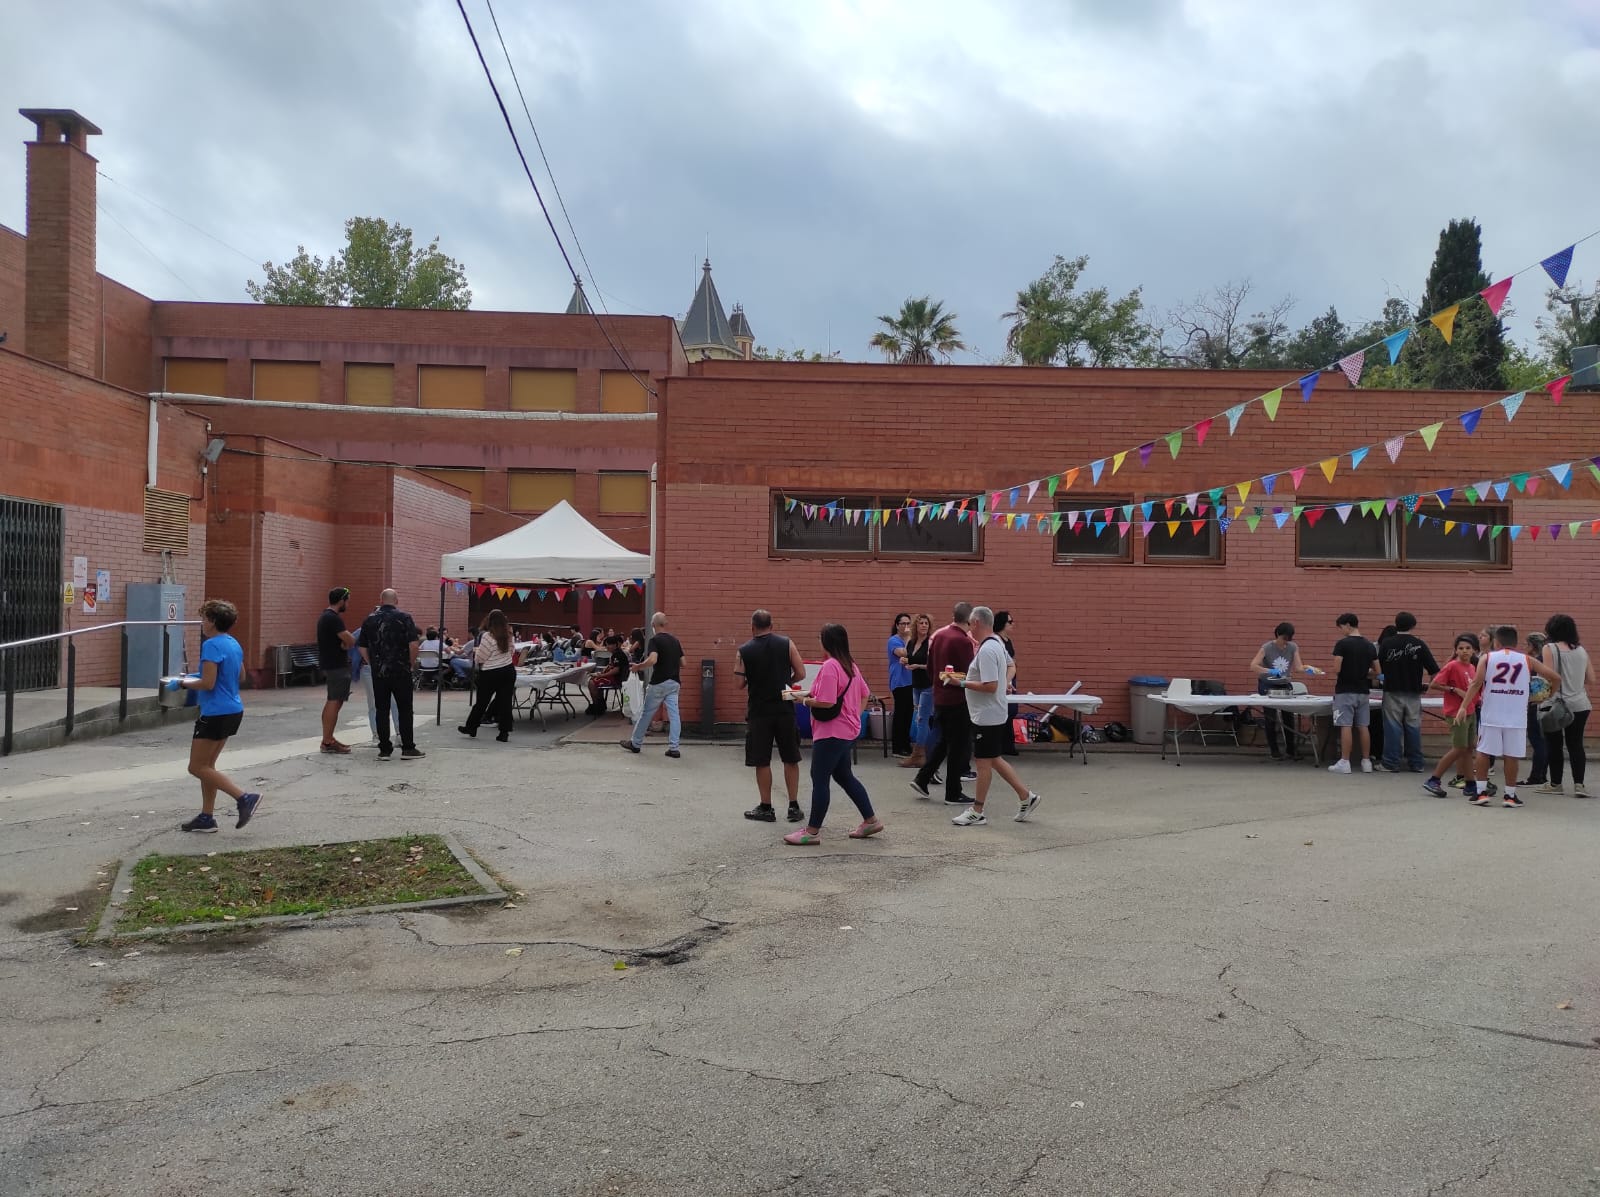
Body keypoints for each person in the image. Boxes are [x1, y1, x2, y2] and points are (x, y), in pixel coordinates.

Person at [786, 624, 883, 844]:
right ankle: (871, 820)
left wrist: (803, 701)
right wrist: (855, 716)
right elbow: (864, 694)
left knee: (820, 778)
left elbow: (827, 701)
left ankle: (812, 831)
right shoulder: (850, 664)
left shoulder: (830, 666)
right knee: (843, 776)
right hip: (846, 731)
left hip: (831, 732)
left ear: (826, 642)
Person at [174, 599, 261, 832]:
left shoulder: (211, 645)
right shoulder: (233, 643)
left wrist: (182, 683)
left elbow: (208, 683)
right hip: (233, 709)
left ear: (212, 621)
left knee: (196, 767)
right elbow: (240, 676)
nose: (202, 623)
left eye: (204, 618)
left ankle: (244, 798)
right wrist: (197, 675)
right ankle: (207, 817)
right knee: (208, 766)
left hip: (215, 712)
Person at [950, 606, 1040, 827]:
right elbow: (1010, 666)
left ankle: (977, 810)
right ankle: (1026, 796)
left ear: (977, 623)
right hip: (991, 712)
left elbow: (990, 686)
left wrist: (960, 683)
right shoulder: (997, 643)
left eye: (970, 624)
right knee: (993, 759)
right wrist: (1005, 682)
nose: (969, 629)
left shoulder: (988, 649)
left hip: (987, 715)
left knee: (983, 762)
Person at [1457, 625, 1561, 808]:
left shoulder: (1487, 658)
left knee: (1483, 752)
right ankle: (1510, 796)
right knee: (1511, 755)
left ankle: (1481, 793)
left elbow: (1476, 683)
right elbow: (1556, 678)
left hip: (1491, 714)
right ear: (1516, 642)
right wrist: (1546, 696)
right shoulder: (1527, 659)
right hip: (1516, 716)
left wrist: (1463, 706)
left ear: (1496, 642)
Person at [737, 609, 807, 822]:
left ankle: (766, 807)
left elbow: (738, 683)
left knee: (762, 760)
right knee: (790, 757)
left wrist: (753, 679)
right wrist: (785, 681)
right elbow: (801, 673)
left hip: (759, 711)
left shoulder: (744, 650)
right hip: (784, 708)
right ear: (772, 625)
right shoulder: (787, 644)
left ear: (752, 627)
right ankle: (793, 806)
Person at [912, 602, 977, 805]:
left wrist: (938, 685)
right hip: (958, 699)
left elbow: (931, 667)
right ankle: (953, 792)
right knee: (958, 746)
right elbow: (970, 673)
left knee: (944, 741)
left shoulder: (939, 635)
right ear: (970, 620)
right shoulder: (963, 641)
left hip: (940, 696)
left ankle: (922, 778)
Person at [359, 588, 425, 761]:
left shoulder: (369, 620)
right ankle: (408, 748)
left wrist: (372, 663)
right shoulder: (404, 618)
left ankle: (384, 750)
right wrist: (409, 664)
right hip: (400, 670)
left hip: (379, 672)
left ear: (381, 600)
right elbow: (414, 645)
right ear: (396, 600)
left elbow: (361, 646)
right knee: (405, 709)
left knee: (381, 710)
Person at [1537, 614, 1594, 797]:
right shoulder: (1581, 650)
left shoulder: (1549, 648)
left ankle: (1556, 784)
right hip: (1580, 704)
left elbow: (1548, 677)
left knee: (1554, 745)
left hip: (1555, 704)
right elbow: (1591, 679)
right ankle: (1579, 785)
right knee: (1576, 744)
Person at [1377, 612, 1438, 773]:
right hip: (1413, 692)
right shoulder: (1419, 644)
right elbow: (1434, 670)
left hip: (1392, 691)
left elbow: (1378, 667)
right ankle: (1416, 763)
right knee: (1413, 727)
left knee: (1392, 728)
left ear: (1396, 624)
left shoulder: (1387, 643)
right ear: (1413, 625)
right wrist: (1429, 686)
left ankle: (1391, 763)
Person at [1423, 634, 1483, 798]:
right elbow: (1434, 684)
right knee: (1459, 748)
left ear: (1474, 650)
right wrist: (1453, 689)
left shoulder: (1472, 668)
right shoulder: (1452, 666)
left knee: (1468, 748)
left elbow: (1474, 690)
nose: (1464, 651)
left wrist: (1478, 700)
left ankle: (1470, 784)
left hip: (1470, 711)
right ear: (1456, 651)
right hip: (1456, 713)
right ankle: (1434, 779)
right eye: (1461, 648)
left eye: (1468, 648)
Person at [620, 612, 684, 757]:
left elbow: (653, 659)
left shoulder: (655, 640)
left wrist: (638, 666)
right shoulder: (675, 641)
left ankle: (636, 743)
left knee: (646, 713)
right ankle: (674, 748)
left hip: (659, 683)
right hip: (674, 683)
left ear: (653, 625)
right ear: (665, 624)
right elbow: (683, 662)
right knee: (674, 715)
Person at [1248, 621, 1309, 761]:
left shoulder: (1293, 647)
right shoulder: (1267, 647)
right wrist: (1270, 671)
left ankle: (1291, 750)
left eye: (1288, 639)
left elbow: (1298, 667)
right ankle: (1274, 750)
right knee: (1271, 717)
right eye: (1283, 638)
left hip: (1283, 683)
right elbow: (1253, 666)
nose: (1285, 642)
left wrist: (1308, 669)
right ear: (1277, 635)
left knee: (1288, 717)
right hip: (1267, 683)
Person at [1328, 613, 1378, 775]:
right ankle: (1366, 761)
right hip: (1363, 691)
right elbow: (1378, 671)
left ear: (1348, 625)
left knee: (1346, 725)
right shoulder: (1369, 646)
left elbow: (1337, 669)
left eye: (1341, 627)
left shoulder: (1342, 644)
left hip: (1345, 690)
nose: (1341, 631)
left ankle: (1345, 761)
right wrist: (1363, 673)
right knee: (1363, 726)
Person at [458, 609, 516, 742]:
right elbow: (512, 651)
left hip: (490, 672)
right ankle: (504, 732)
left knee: (482, 702)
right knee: (505, 702)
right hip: (508, 670)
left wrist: (477, 654)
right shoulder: (508, 634)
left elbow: (481, 657)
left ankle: (471, 727)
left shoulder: (488, 636)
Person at [316, 586, 355, 754]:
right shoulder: (333, 618)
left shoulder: (325, 617)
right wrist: (346, 643)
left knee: (334, 700)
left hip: (331, 664)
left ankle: (328, 738)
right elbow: (350, 639)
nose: (348, 604)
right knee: (334, 700)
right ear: (341, 601)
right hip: (336, 666)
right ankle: (327, 741)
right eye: (347, 601)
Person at [900, 613, 935, 770]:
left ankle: (917, 754)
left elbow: (934, 665)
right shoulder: (912, 642)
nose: (924, 625)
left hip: (928, 684)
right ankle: (927, 753)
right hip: (916, 684)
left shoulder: (931, 643)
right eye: (921, 623)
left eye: (926, 623)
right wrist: (905, 661)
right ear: (916, 625)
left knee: (921, 719)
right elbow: (910, 658)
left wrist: (918, 666)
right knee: (921, 720)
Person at [1523, 632, 1551, 785]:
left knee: (1537, 741)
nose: (1525, 647)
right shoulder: (1547, 659)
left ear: (1532, 646)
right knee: (1543, 741)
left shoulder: (1536, 661)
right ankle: (1542, 775)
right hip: (1545, 704)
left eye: (1527, 644)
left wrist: (1533, 700)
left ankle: (1536, 776)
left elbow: (1537, 684)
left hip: (1536, 704)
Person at [993, 610, 1021, 757]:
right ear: (1002, 624)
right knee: (1002, 711)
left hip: (1011, 677)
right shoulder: (996, 640)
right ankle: (1000, 744)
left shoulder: (1008, 640)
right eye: (1009, 622)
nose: (1012, 624)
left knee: (1011, 710)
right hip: (1002, 679)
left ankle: (1008, 744)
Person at [887, 613, 914, 758]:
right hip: (899, 681)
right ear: (897, 625)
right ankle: (897, 747)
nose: (906, 626)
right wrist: (909, 637)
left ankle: (906, 744)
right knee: (901, 713)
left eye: (908, 623)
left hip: (911, 680)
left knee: (908, 713)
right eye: (903, 623)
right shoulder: (894, 640)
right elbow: (904, 653)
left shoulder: (911, 640)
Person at [587, 635, 629, 714]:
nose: (607, 647)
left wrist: (602, 675)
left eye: (609, 645)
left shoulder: (618, 655)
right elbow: (611, 666)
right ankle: (601, 705)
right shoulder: (615, 654)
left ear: (615, 645)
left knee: (592, 683)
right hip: (615, 677)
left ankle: (597, 706)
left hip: (617, 679)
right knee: (593, 680)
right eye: (606, 645)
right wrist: (602, 673)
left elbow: (616, 670)